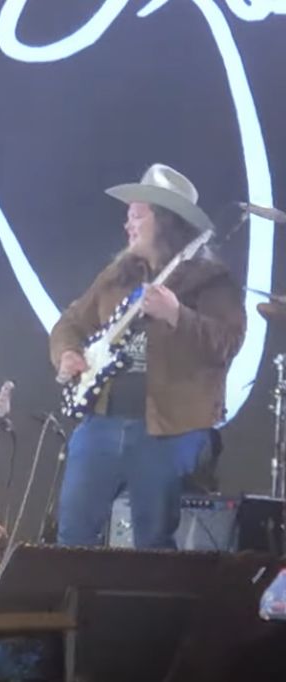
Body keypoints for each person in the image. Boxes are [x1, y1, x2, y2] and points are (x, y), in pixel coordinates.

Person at [51, 163, 245, 549]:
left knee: (153, 542)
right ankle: (72, 609)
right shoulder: (118, 275)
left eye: (137, 215)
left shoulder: (211, 280)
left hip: (167, 430)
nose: (128, 225)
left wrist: (177, 314)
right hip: (101, 422)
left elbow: (227, 341)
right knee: (72, 536)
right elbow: (70, 322)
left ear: (166, 221)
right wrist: (68, 354)